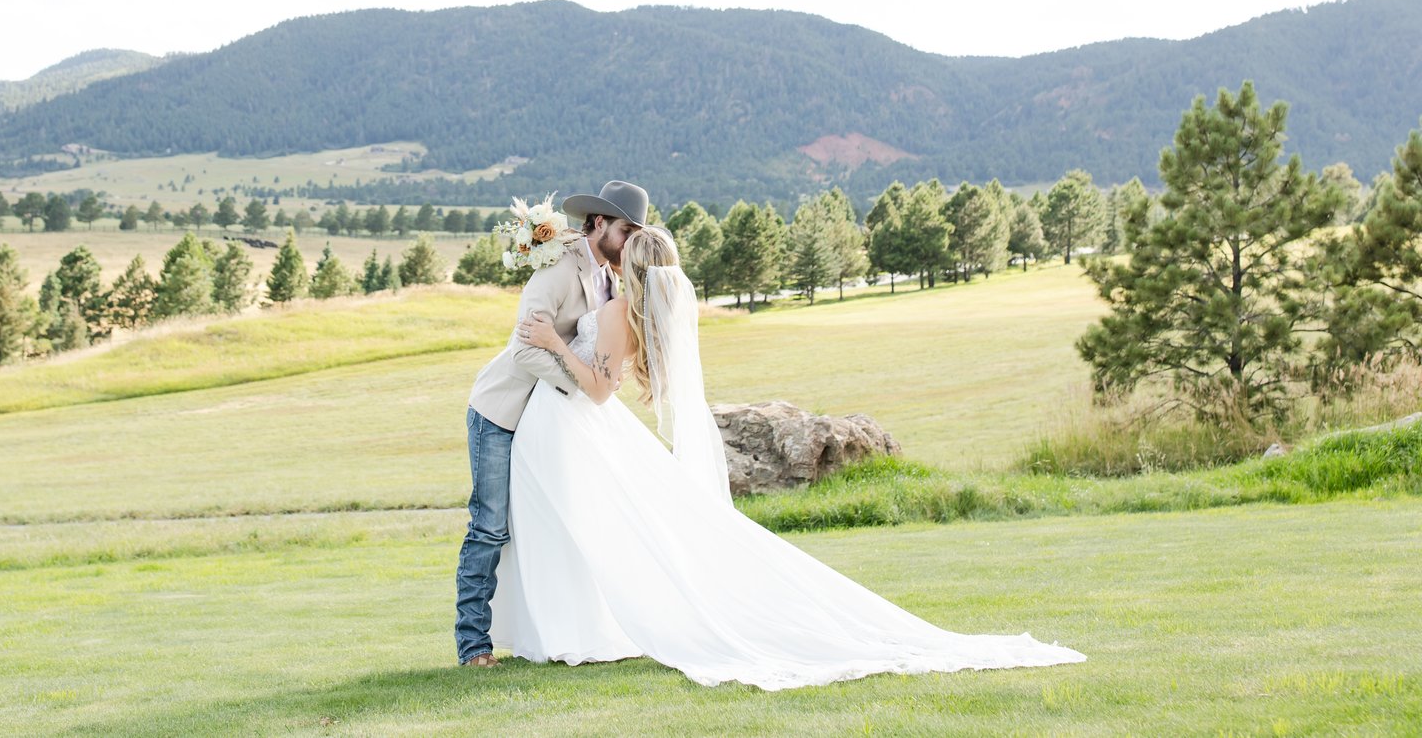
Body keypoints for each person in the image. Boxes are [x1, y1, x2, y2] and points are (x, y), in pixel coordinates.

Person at [490, 225, 1087, 688]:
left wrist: (551, 343)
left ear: (631, 264)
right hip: (566, 424)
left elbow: (596, 387)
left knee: (561, 527)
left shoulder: (619, 310)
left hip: (569, 420)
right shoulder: (626, 304)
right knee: (570, 528)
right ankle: (566, 631)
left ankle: (565, 633)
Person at [454, 179, 648, 667]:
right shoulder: (560, 267)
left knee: (550, 524)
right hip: (502, 412)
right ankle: (473, 645)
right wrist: (578, 384)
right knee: (491, 527)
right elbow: (523, 348)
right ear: (599, 223)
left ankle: (554, 629)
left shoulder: (609, 278)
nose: (631, 242)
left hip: (553, 423)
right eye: (627, 230)